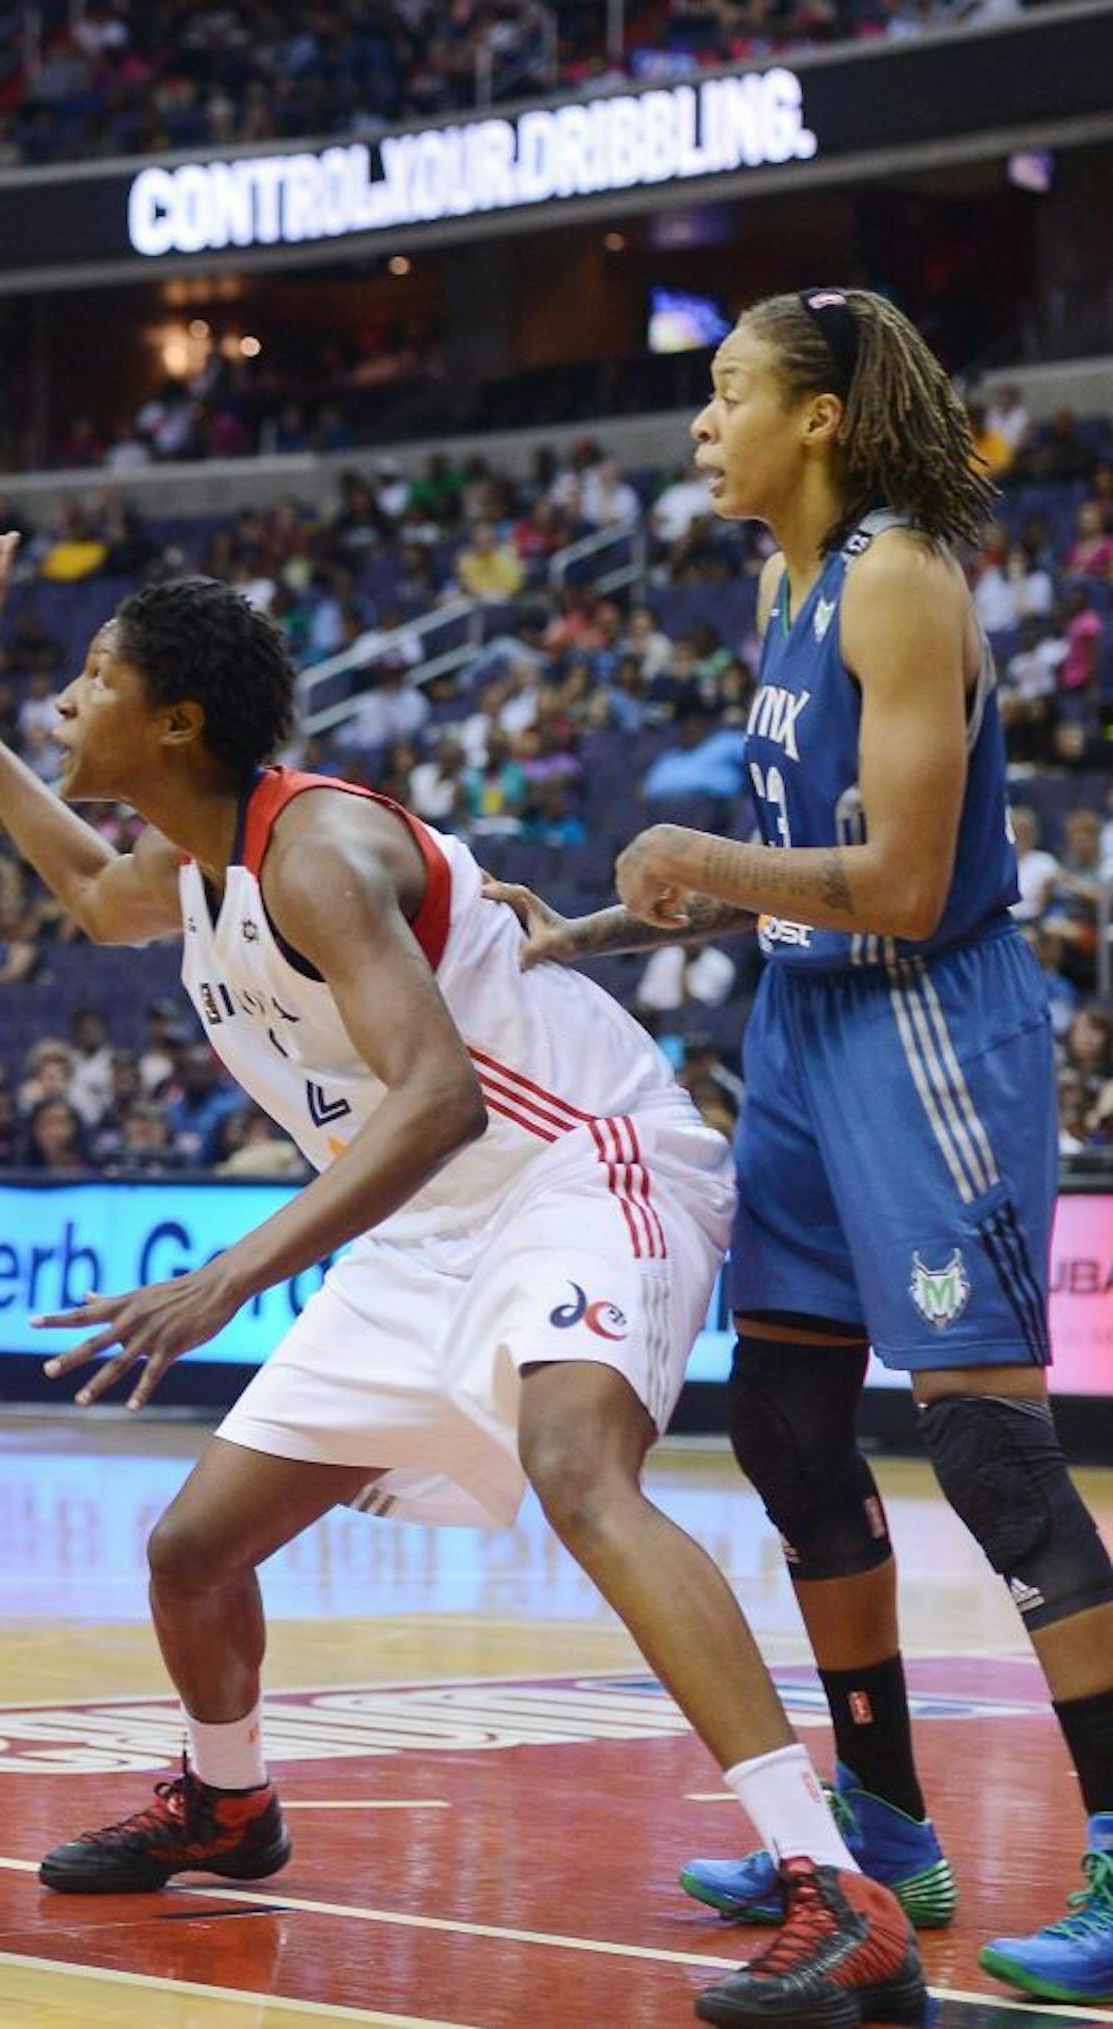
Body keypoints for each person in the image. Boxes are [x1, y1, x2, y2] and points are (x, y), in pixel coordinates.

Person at [0, 535, 921, 2029]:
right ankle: (227, 1802)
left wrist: (229, 1274)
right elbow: (87, 892)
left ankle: (834, 1886)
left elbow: (440, 1096)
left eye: (91, 683)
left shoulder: (312, 853)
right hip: (423, 1222)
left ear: (179, 723)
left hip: (576, 1165)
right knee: (192, 1551)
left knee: (583, 1474)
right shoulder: (192, 868)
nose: (67, 703)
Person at [495, 288, 1113, 2007]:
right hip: (801, 1027)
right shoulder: (783, 581)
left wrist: (694, 846)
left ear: (823, 414)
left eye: (727, 390)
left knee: (988, 1453)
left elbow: (906, 885)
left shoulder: (905, 575)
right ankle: (885, 1822)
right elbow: (790, 859)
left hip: (923, 1022)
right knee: (779, 1418)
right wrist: (607, 929)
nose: (700, 423)